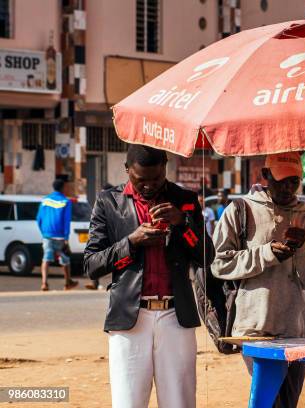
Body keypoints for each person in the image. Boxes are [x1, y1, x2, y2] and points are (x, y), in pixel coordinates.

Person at [84, 145, 213, 408]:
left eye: (156, 179)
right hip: (129, 320)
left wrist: (183, 223)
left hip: (176, 317)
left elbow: (205, 256)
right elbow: (91, 265)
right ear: (127, 170)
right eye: (140, 180)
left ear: (165, 168)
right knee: (127, 403)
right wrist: (131, 242)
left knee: (180, 402)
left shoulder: (184, 199)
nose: (149, 186)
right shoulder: (109, 202)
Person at [211, 152, 305, 408]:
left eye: (294, 181)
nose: (288, 188)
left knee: (288, 403)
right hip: (255, 328)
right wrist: (266, 253)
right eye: (281, 181)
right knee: (270, 402)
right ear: (265, 176)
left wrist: (302, 249)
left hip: (296, 329)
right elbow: (219, 263)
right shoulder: (240, 210)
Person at [36, 179, 78, 291]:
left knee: (46, 258)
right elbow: (66, 221)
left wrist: (44, 232)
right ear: (63, 187)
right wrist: (66, 238)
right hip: (60, 236)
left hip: (47, 236)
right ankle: (67, 282)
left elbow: (39, 219)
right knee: (65, 259)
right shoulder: (65, 201)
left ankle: (44, 283)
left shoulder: (44, 200)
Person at [85, 183, 115, 290]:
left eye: (103, 192)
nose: (101, 195)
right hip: (102, 236)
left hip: (112, 237)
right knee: (95, 257)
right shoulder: (102, 202)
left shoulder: (115, 203)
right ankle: (95, 283)